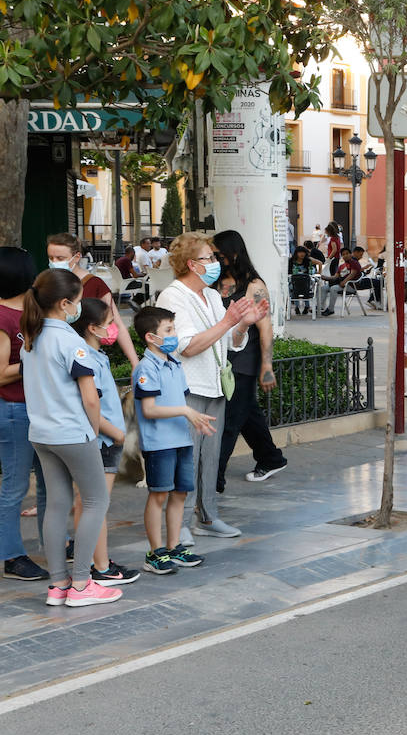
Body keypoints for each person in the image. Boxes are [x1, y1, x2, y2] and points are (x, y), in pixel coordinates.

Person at [156, 232, 266, 542]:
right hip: (189, 389)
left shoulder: (212, 295)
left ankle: (208, 515)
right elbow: (187, 347)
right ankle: (180, 525)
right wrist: (229, 321)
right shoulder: (174, 296)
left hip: (215, 386)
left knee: (209, 458)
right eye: (209, 258)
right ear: (192, 264)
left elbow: (231, 343)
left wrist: (244, 322)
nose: (216, 263)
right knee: (187, 458)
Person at [20, 269, 121, 607]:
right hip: (73, 434)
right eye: (77, 301)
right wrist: (92, 432)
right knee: (95, 502)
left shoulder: (31, 339)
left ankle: (58, 584)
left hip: (41, 434)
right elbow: (91, 399)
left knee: (57, 505)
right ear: (65, 304)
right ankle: (81, 583)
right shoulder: (72, 343)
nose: (79, 307)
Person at [132, 306, 214, 575]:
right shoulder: (145, 368)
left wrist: (195, 418)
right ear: (150, 337)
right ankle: (155, 553)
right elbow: (150, 409)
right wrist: (186, 411)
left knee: (180, 493)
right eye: (168, 330)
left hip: (181, 439)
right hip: (159, 443)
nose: (174, 335)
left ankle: (174, 546)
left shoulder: (174, 364)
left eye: (173, 329)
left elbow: (178, 400)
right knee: (159, 495)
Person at [69, 298, 140, 586]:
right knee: (96, 505)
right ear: (93, 328)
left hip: (101, 440)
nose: (114, 328)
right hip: (104, 441)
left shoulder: (94, 355)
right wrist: (116, 433)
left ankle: (94, 561)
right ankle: (100, 566)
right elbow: (90, 404)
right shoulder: (86, 356)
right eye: (110, 323)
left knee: (86, 504)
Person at [212, 230, 288, 488]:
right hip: (221, 357)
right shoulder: (215, 282)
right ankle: (271, 457)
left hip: (244, 361)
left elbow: (265, 328)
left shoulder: (254, 286)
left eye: (219, 255)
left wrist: (266, 366)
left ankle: (214, 478)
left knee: (231, 420)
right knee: (247, 413)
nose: (215, 260)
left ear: (234, 253)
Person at [0, 246, 48, 581]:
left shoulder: (30, 311)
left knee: (50, 483)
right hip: (15, 410)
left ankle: (55, 540)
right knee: (15, 487)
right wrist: (33, 358)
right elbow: (1, 373)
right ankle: (12, 556)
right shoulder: (3, 317)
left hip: (39, 408)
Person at [46, 233, 138, 367]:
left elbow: (117, 324)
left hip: (87, 358)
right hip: (53, 359)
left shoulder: (94, 284)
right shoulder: (46, 284)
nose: (54, 262)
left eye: (60, 258)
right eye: (51, 258)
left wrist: (135, 363)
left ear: (77, 257)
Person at [318, 246, 363, 317]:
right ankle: (320, 307)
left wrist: (344, 282)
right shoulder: (341, 266)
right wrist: (324, 277)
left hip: (351, 286)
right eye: (343, 254)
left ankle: (330, 309)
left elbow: (352, 274)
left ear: (351, 254)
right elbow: (335, 277)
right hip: (341, 285)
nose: (345, 255)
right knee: (323, 288)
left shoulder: (354, 263)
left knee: (333, 289)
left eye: (347, 253)